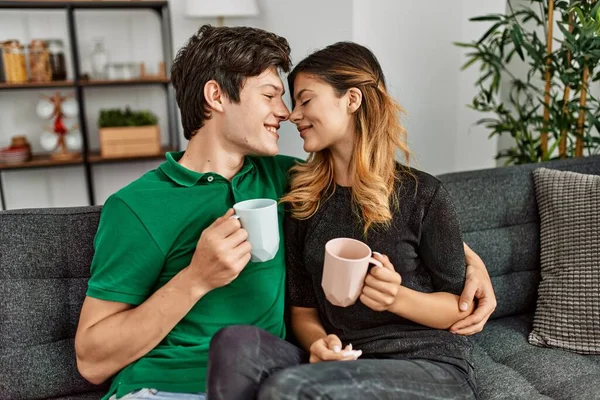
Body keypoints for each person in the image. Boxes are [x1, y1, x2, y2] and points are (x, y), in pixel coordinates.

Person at [75, 25, 494, 399]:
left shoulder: (289, 183)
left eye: (290, 99)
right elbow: (91, 361)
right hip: (165, 386)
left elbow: (380, 207)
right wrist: (195, 280)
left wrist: (472, 262)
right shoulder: (137, 205)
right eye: (271, 95)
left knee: (243, 347)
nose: (286, 113)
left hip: (269, 376)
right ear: (216, 95)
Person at [207, 42, 486, 400]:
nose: (293, 115)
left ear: (351, 99)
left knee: (290, 387)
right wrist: (321, 344)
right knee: (233, 345)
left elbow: (459, 308)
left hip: (430, 365)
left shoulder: (423, 194)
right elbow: (303, 311)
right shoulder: (303, 201)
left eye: (305, 100)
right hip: (346, 361)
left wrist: (394, 298)